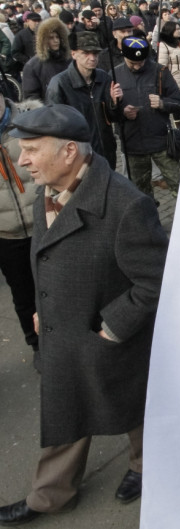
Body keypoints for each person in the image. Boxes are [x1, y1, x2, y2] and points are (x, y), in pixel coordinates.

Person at [0, 104, 168, 526]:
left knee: (135, 407)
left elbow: (155, 281)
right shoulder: (48, 191)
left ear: (70, 152)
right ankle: (49, 496)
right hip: (64, 332)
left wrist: (113, 326)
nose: (22, 161)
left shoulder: (128, 206)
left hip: (111, 340)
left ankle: (148, 468)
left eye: (33, 150)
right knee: (66, 408)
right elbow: (50, 259)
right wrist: (42, 308)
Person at [0, 96, 42, 369]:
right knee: (23, 294)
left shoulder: (30, 116)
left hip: (44, 224)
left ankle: (71, 338)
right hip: (7, 235)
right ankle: (37, 345)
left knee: (62, 285)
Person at [114, 35, 180, 197]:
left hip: (162, 143)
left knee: (179, 186)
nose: (138, 67)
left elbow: (179, 101)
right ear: (124, 56)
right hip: (133, 145)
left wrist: (162, 103)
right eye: (132, 63)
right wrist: (121, 111)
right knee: (140, 193)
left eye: (141, 62)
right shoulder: (114, 74)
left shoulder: (160, 71)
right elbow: (109, 113)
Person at [46, 31, 121, 169]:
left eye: (95, 53)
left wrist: (115, 103)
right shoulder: (60, 83)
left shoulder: (104, 78)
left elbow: (113, 118)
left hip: (106, 150)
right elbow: (56, 127)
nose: (92, 58)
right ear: (74, 54)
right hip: (78, 155)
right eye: (86, 53)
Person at [21, 17, 70, 101]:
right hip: (49, 110)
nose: (56, 41)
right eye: (51, 38)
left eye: (57, 37)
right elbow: (31, 96)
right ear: (43, 40)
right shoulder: (33, 65)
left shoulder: (68, 60)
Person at [157, 20, 180, 128]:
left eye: (179, 28)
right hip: (177, 81)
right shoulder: (165, 45)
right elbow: (162, 65)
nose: (179, 31)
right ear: (170, 30)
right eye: (177, 29)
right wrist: (171, 78)